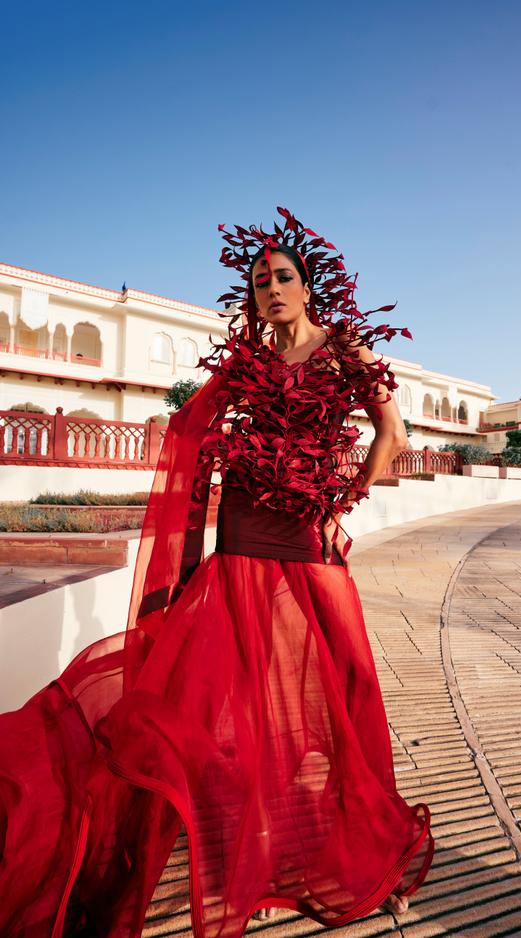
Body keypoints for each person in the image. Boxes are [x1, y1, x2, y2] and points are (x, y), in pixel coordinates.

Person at [0, 208, 434, 938]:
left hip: (306, 531)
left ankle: (370, 843)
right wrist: (209, 459)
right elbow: (186, 426)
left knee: (349, 678)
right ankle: (241, 845)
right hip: (240, 533)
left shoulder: (345, 349)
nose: (271, 288)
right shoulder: (244, 364)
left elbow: (391, 434)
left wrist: (342, 502)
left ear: (307, 285)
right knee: (229, 693)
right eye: (259, 279)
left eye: (283, 277)